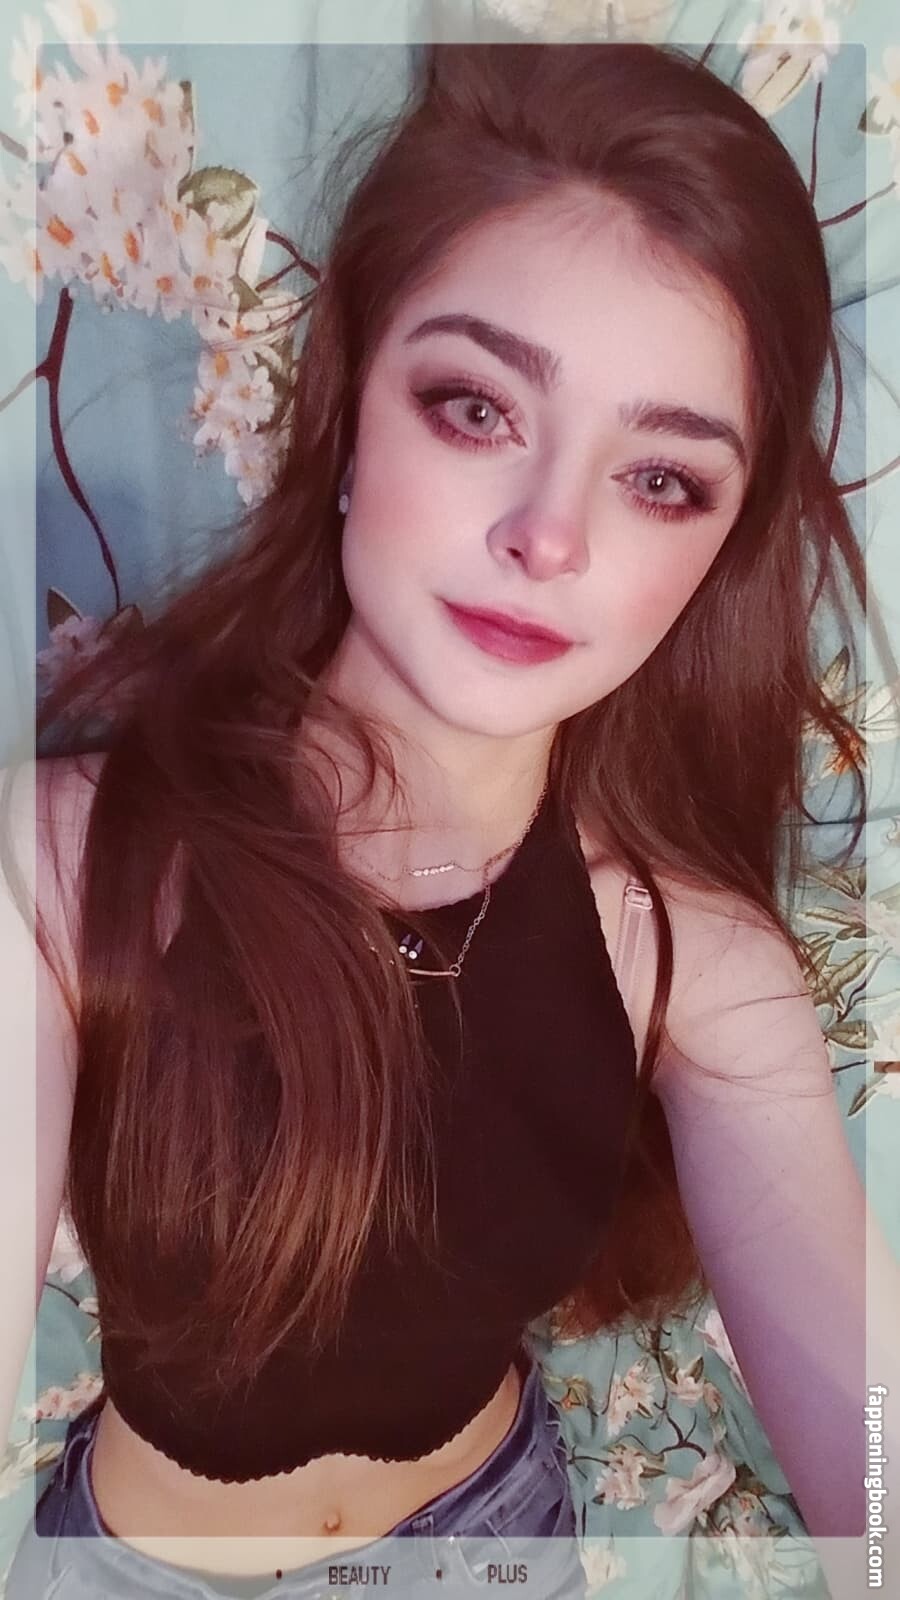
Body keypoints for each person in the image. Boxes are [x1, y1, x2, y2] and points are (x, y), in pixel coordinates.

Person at [0, 37, 890, 1600]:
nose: (550, 535)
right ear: (350, 407)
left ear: (717, 552)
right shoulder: (62, 866)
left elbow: (872, 1444)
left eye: (662, 480)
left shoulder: (688, 956)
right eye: (476, 407)